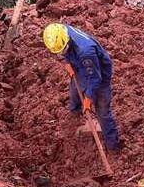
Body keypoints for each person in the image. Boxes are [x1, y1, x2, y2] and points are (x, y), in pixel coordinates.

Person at [42, 23, 121, 151]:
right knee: (74, 91)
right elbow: (65, 51)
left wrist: (88, 98)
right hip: (79, 63)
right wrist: (68, 62)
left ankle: (113, 145)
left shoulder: (86, 52)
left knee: (102, 112)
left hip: (99, 73)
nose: (61, 53)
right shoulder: (60, 31)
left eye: (63, 51)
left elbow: (95, 78)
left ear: (67, 40)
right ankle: (75, 113)